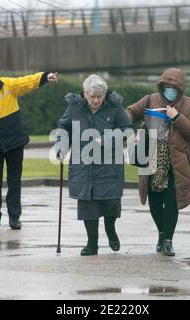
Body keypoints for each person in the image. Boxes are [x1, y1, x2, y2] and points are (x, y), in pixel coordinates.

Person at [0, 58, 58, 230]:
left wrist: (45, 77)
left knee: (14, 182)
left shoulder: (7, 85)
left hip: (14, 141)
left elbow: (26, 82)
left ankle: (14, 217)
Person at [126, 68, 190, 256]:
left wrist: (176, 117)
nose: (169, 91)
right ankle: (161, 233)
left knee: (171, 201)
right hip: (151, 157)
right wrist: (128, 122)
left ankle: (168, 240)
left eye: (173, 88)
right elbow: (130, 111)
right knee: (154, 202)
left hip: (175, 162)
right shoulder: (150, 100)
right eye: (166, 87)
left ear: (180, 89)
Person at [56, 75, 133, 256]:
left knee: (111, 204)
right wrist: (61, 146)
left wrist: (107, 139)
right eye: (92, 97)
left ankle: (110, 229)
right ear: (85, 93)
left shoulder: (114, 107)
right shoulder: (75, 107)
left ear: (105, 95)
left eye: (100, 96)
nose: (96, 100)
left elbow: (127, 129)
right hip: (84, 164)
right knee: (87, 205)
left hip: (109, 165)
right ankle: (92, 243)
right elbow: (63, 127)